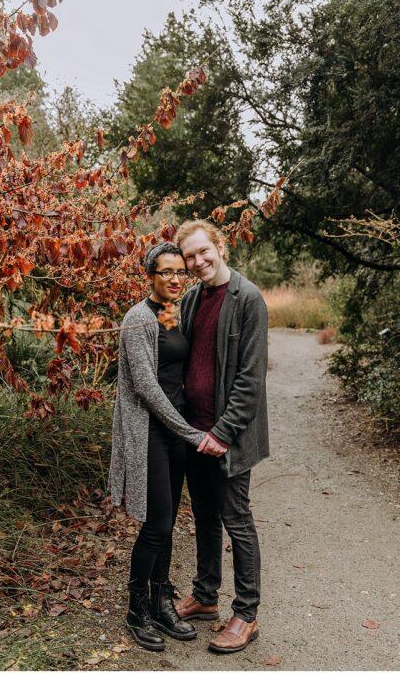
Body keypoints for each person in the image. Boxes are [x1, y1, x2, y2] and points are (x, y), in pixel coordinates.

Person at [172, 220, 269, 655]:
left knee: (237, 520)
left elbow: (250, 379)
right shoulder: (192, 298)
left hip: (229, 435)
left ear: (220, 247)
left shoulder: (248, 299)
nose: (197, 262)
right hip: (194, 430)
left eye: (202, 252)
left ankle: (246, 615)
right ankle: (205, 596)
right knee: (205, 517)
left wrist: (223, 432)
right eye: (189, 256)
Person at [109, 242, 206, 651]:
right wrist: (189, 431)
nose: (173, 278)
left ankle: (162, 599)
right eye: (165, 271)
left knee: (165, 526)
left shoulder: (175, 315)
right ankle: (137, 608)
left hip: (177, 432)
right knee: (158, 524)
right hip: (149, 433)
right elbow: (147, 387)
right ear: (149, 275)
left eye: (178, 272)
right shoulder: (137, 318)